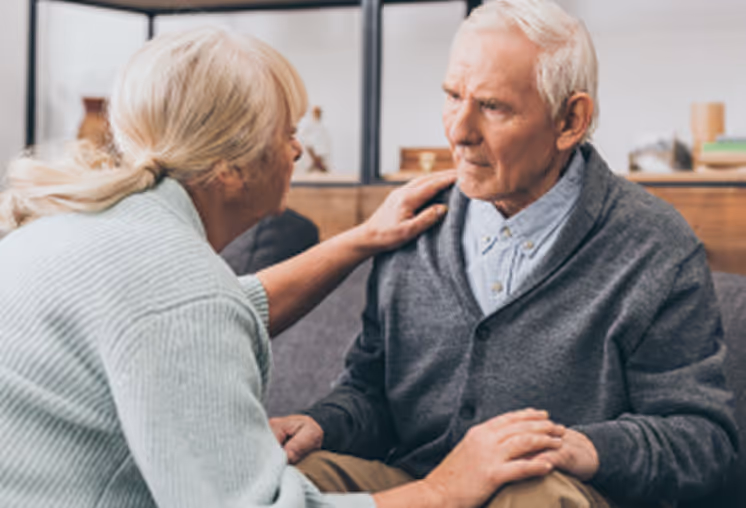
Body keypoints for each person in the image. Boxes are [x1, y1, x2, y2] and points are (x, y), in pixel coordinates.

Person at [0, 26, 571, 508]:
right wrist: (444, 489)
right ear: (229, 169)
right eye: (286, 134)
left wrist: (362, 239)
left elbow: (226, 308)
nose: (298, 152)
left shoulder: (87, 230)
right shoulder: (181, 295)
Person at [269, 1, 739, 506]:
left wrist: (587, 447)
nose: (458, 131)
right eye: (453, 96)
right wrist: (322, 423)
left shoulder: (654, 247)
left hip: (554, 492)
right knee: (291, 479)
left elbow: (704, 444)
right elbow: (370, 392)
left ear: (571, 120)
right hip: (419, 490)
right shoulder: (412, 222)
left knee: (534, 491)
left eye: (493, 107)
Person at [297, 106, 332, 173]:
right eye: (315, 112)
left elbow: (324, 147)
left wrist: (319, 163)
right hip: (310, 164)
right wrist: (316, 162)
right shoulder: (307, 127)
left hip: (319, 164)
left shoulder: (323, 129)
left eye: (318, 112)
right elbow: (307, 144)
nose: (317, 114)